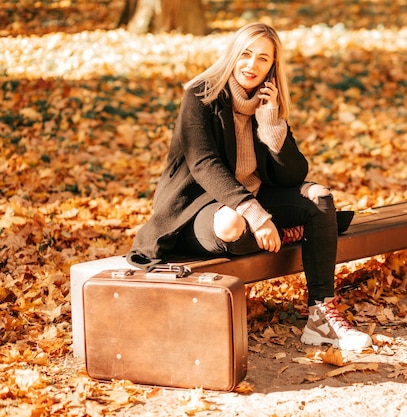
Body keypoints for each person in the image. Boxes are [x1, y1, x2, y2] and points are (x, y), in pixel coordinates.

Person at [126, 22, 372, 352]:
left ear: (272, 66)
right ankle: (285, 232)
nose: (251, 65)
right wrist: (256, 215)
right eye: (245, 54)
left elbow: (293, 175)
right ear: (232, 55)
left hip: (252, 203)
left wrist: (271, 127)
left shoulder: (265, 103)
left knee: (319, 198)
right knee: (232, 223)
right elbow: (204, 164)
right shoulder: (200, 96)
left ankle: (321, 318)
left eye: (262, 59)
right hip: (197, 210)